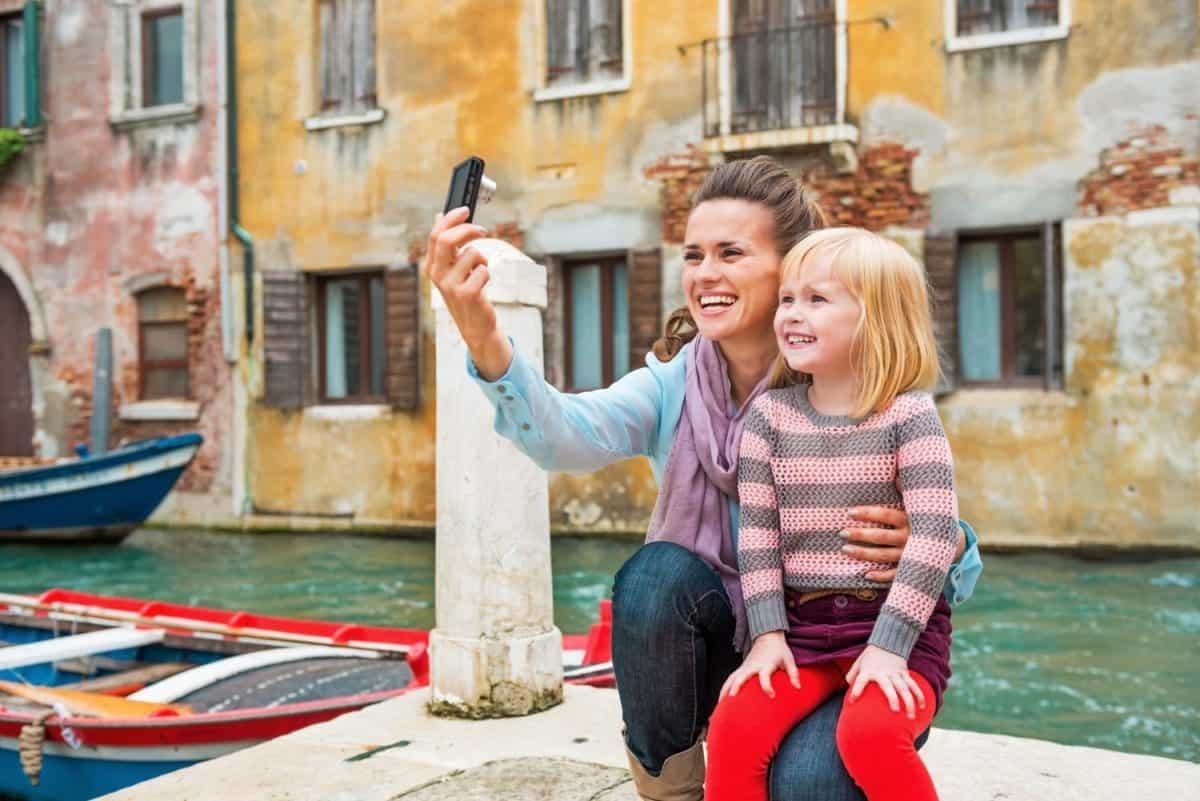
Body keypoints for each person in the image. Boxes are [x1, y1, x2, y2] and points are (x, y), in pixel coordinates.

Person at [422, 156, 982, 801]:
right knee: (655, 578)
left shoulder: (859, 381)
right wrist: (482, 330)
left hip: (865, 638)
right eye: (693, 256)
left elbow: (948, 550)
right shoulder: (674, 383)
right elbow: (563, 435)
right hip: (746, 640)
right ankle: (673, 792)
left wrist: (935, 543)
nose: (706, 275)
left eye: (731, 253)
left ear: (793, 266)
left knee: (809, 784)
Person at [704, 227, 959, 801]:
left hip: (900, 631)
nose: (792, 313)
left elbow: (935, 537)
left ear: (877, 320)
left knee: (868, 735)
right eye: (788, 298)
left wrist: (891, 646)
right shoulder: (769, 418)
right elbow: (759, 540)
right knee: (734, 730)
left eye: (817, 299)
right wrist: (768, 636)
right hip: (801, 633)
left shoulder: (909, 417)